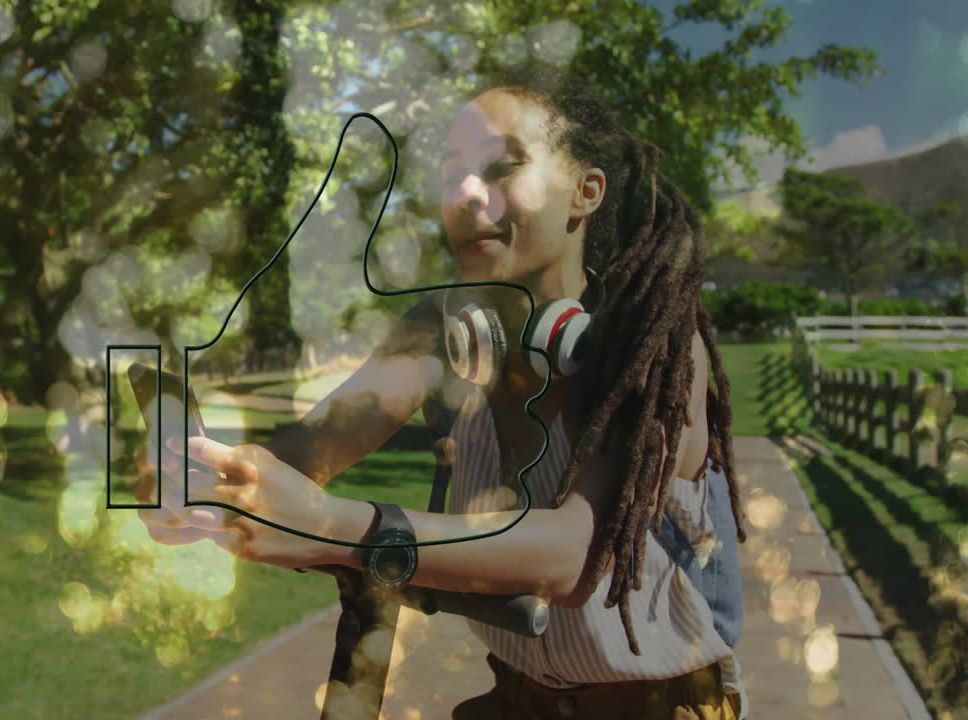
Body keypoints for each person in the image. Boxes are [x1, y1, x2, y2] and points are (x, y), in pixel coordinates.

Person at [138, 60, 748, 718]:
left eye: (500, 166)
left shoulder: (655, 352)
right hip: (517, 699)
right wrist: (205, 481)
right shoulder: (442, 331)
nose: (463, 193)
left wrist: (333, 527)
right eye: (451, 170)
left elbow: (574, 558)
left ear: (585, 191)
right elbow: (301, 457)